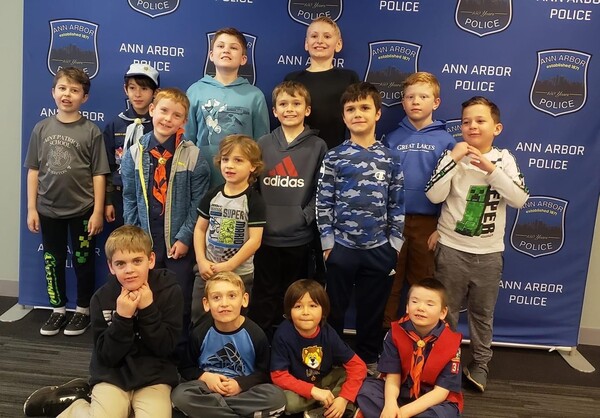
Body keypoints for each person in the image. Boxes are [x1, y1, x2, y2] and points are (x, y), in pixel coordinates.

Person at [23, 225, 184, 418]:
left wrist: (148, 309)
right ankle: (75, 407)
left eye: (137, 261)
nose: (129, 270)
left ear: (150, 260)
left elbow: (166, 348)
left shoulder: (170, 292)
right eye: (121, 264)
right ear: (111, 267)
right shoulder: (100, 298)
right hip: (113, 376)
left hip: (154, 377)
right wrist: (123, 318)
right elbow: (107, 356)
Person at [425, 96, 529, 392]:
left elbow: (520, 198)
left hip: (489, 253)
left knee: (483, 314)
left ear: (496, 127)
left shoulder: (504, 159)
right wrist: (453, 159)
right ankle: (445, 361)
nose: (472, 126)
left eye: (480, 121)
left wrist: (490, 170)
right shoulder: (452, 155)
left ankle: (480, 364)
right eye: (467, 121)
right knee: (447, 312)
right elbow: (434, 196)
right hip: (452, 250)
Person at [316, 82, 404, 370]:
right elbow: (324, 201)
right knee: (336, 309)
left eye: (364, 108)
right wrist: (328, 244)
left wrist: (394, 245)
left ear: (378, 113)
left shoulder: (391, 158)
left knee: (372, 310)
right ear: (343, 117)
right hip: (342, 247)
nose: (357, 114)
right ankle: (337, 359)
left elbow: (397, 204)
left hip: (379, 248)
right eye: (350, 109)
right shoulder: (335, 156)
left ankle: (368, 358)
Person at [24, 67, 110, 337]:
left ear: (84, 97)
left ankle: (83, 309)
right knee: (53, 260)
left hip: (83, 211)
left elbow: (99, 174)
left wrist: (97, 211)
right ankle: (58, 309)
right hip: (48, 210)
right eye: (62, 88)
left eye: (74, 90)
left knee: (84, 262)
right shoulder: (41, 128)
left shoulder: (92, 132)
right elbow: (33, 170)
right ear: (53, 92)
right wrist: (31, 208)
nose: (67, 94)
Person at [121, 87, 210, 331]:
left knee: (178, 298)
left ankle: (178, 350)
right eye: (163, 111)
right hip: (146, 239)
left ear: (184, 120)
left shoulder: (194, 156)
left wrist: (184, 237)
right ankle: (147, 345)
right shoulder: (134, 154)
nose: (168, 119)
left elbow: (199, 204)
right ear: (151, 110)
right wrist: (133, 236)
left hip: (177, 241)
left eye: (176, 115)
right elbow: (129, 197)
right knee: (144, 294)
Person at [249, 81, 327, 338]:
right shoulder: (262, 143)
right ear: (274, 111)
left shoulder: (318, 146)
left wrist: (304, 216)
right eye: (283, 104)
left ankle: (291, 345)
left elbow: (322, 190)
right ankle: (262, 349)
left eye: (296, 104)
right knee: (264, 295)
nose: (289, 109)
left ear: (307, 110)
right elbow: (254, 188)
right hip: (265, 238)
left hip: (299, 238)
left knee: (293, 296)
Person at [382, 72, 456, 328]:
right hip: (395, 221)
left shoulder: (446, 140)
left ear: (435, 102)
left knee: (421, 283)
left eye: (423, 97)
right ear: (402, 103)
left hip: (427, 223)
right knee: (390, 280)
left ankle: (419, 337)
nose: (416, 102)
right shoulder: (391, 138)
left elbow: (453, 189)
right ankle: (386, 337)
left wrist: (441, 226)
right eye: (410, 97)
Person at [171, 272, 286, 418]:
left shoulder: (256, 334)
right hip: (207, 390)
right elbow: (186, 368)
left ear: (244, 300)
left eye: (232, 296)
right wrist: (206, 377)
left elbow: (263, 373)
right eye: (216, 297)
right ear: (206, 304)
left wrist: (240, 384)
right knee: (180, 395)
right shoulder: (199, 332)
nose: (224, 303)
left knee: (276, 398)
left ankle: (212, 413)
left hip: (243, 393)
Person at [355, 279, 463, 418]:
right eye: (415, 301)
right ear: (406, 307)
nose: (420, 308)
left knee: (445, 413)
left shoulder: (451, 343)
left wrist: (403, 413)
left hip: (432, 400)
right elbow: (392, 377)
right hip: (400, 392)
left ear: (443, 313)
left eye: (429, 304)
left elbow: (440, 392)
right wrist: (390, 404)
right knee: (366, 391)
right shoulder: (395, 333)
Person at [191, 135, 266, 324]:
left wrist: (229, 266)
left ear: (253, 167)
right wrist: (201, 260)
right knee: (200, 317)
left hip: (239, 273)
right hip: (208, 271)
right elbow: (200, 229)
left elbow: (254, 241)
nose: (229, 165)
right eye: (225, 159)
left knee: (234, 320)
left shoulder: (254, 201)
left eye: (238, 160)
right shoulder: (213, 195)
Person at [185, 27, 270, 188]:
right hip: (201, 179)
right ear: (211, 55)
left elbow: (261, 142)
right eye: (221, 46)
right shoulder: (195, 91)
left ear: (243, 58)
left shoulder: (254, 96)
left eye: (233, 47)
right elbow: (187, 138)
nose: (226, 50)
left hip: (240, 183)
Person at [270, 279, 367, 417]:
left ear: (323, 311)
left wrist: (344, 398)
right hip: (298, 388)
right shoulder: (283, 334)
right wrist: (312, 391)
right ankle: (328, 404)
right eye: (298, 306)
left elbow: (358, 365)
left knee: (347, 374)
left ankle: (332, 405)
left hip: (323, 381)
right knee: (287, 402)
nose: (305, 312)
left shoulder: (328, 332)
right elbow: (278, 375)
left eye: (313, 306)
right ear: (289, 311)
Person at [284, 16, 359, 150]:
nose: (319, 41)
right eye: (314, 36)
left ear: (338, 44)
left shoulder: (349, 78)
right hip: (300, 154)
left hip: (336, 153)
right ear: (306, 44)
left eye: (327, 36)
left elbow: (357, 117)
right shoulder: (292, 79)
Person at [104, 63, 160, 227]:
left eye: (144, 89)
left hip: (153, 196)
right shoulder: (115, 125)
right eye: (132, 88)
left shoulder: (160, 126)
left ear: (155, 92)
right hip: (120, 196)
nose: (137, 94)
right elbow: (107, 165)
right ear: (125, 89)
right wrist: (108, 201)